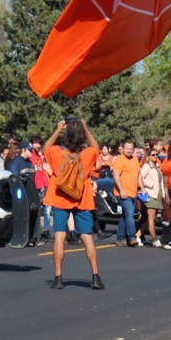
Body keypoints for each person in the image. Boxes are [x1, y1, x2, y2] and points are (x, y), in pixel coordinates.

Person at [42, 118, 104, 290]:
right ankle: (95, 276)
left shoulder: (56, 153)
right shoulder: (88, 154)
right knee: (87, 236)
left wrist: (58, 129)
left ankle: (58, 277)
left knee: (60, 235)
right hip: (81, 198)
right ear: (82, 136)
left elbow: (45, 148)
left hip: (60, 198)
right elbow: (97, 149)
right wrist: (86, 127)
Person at [111, 139, 140, 248]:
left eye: (131, 149)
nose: (129, 151)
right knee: (129, 214)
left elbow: (138, 174)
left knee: (125, 215)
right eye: (127, 148)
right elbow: (116, 175)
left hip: (133, 192)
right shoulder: (120, 160)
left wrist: (141, 187)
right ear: (123, 149)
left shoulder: (135, 159)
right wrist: (122, 190)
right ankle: (132, 237)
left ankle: (120, 238)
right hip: (122, 193)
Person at [138, 148, 166, 247]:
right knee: (151, 219)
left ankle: (137, 235)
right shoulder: (147, 166)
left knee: (150, 219)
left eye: (156, 155)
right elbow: (140, 177)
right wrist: (147, 186)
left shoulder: (157, 166)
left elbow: (160, 181)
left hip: (157, 194)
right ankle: (154, 239)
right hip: (150, 194)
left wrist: (163, 194)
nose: (155, 157)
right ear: (148, 156)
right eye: (153, 155)